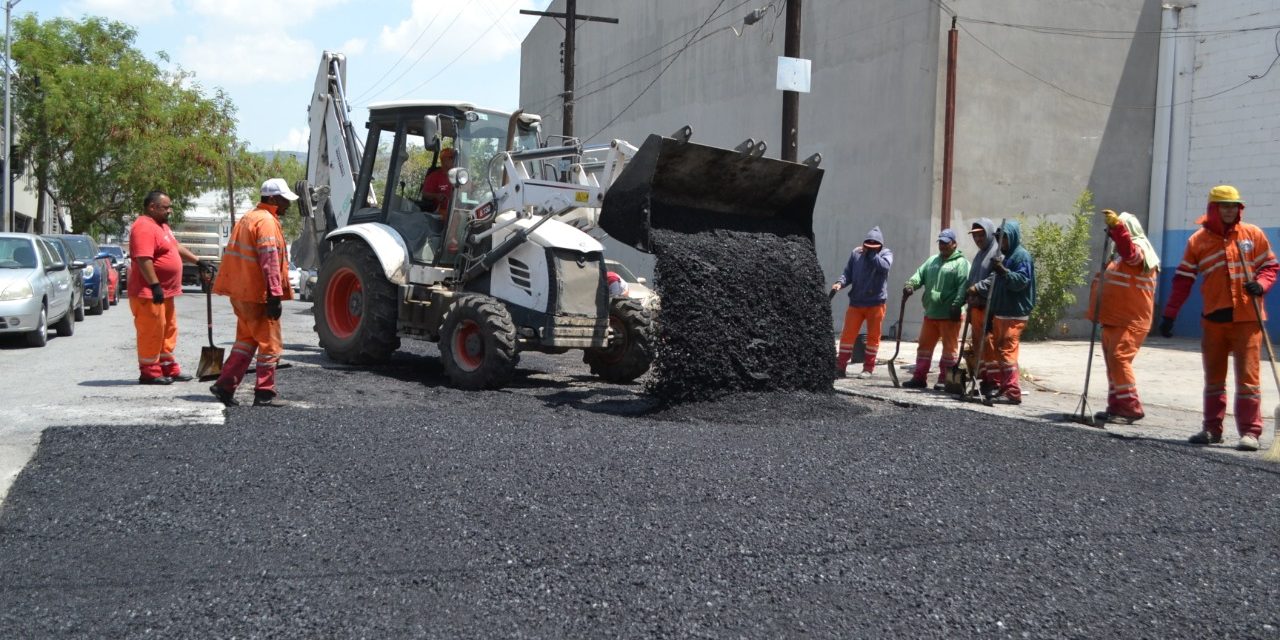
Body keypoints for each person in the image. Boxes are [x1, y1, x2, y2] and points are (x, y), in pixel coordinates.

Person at [1160, 185, 1277, 451]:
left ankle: (1250, 433)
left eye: (1234, 206)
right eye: (1224, 206)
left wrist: (1261, 284)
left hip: (1248, 319)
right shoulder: (1197, 242)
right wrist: (1169, 314)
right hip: (1214, 320)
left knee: (1248, 380)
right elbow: (1183, 281)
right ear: (1213, 208)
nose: (1230, 210)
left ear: (1239, 208)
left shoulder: (1252, 234)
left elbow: (1270, 266)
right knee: (1213, 378)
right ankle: (1212, 429)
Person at [209, 178, 298, 408]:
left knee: (246, 341)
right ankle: (264, 393)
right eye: (284, 200)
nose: (288, 205)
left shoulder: (248, 218)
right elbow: (269, 260)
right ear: (272, 199)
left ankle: (224, 385)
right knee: (270, 345)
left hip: (242, 293)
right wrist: (274, 295)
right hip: (258, 294)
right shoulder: (266, 222)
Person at [127, 190, 211, 385]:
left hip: (166, 292)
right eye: (165, 207)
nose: (170, 211)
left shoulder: (161, 226)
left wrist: (198, 261)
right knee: (152, 331)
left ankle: (167, 367)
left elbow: (175, 247)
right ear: (152, 207)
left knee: (168, 329)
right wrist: (155, 285)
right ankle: (149, 372)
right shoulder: (143, 227)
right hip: (149, 293)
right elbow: (143, 258)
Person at [1087, 210, 1159, 424]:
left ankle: (1130, 408)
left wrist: (1117, 228)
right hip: (1113, 319)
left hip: (1131, 320)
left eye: (1118, 231)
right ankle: (1116, 406)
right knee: (1112, 362)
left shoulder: (1141, 252)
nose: (1113, 236)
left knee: (1119, 359)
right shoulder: (1117, 256)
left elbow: (1131, 253)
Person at [902, 229, 970, 390]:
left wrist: (957, 304)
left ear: (954, 244)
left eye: (946, 243)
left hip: (950, 315)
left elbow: (963, 286)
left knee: (949, 350)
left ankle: (945, 379)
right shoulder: (932, 261)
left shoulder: (961, 264)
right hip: (931, 312)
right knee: (924, 348)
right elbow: (919, 275)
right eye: (941, 243)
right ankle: (919, 377)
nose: (943, 246)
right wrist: (910, 285)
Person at [983, 220, 1036, 405]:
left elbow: (1021, 281)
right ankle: (1005, 388)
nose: (1001, 243)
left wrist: (1004, 272)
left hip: (1014, 313)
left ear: (1011, 238)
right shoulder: (1007, 257)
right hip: (1002, 313)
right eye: (999, 239)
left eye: (1004, 239)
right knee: (1000, 352)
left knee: (1007, 353)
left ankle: (1012, 392)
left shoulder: (1021, 257)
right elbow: (996, 287)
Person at [831, 227, 893, 378]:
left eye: (874, 246)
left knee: (873, 337)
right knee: (847, 335)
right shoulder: (856, 254)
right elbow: (848, 273)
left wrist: (872, 255)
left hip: (876, 303)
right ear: (864, 244)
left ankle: (868, 368)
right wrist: (840, 283)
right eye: (868, 245)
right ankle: (840, 367)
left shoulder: (886, 254)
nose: (869, 248)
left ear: (880, 245)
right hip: (856, 302)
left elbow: (884, 267)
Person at [964, 218, 1002, 395]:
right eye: (975, 236)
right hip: (976, 308)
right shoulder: (979, 255)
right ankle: (983, 380)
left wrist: (978, 287)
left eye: (981, 235)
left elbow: (996, 277)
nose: (977, 239)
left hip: (989, 308)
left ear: (989, 234)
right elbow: (972, 279)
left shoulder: (997, 253)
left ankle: (994, 382)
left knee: (989, 345)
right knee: (978, 345)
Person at [420, 147, 457, 221]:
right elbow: (425, 193)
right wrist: (436, 196)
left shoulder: (460, 175)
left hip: (458, 210)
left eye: (454, 158)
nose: (454, 160)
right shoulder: (434, 176)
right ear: (443, 160)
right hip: (442, 212)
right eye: (451, 158)